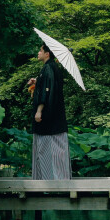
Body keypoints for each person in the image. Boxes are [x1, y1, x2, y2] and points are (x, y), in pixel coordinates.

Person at [28, 43, 71, 180]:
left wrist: (39, 110)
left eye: (41, 50)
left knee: (46, 148)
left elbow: (46, 91)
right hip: (56, 116)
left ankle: (48, 182)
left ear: (47, 54)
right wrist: (37, 80)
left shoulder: (48, 68)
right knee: (57, 150)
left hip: (47, 117)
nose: (38, 52)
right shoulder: (53, 67)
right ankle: (59, 179)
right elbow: (47, 84)